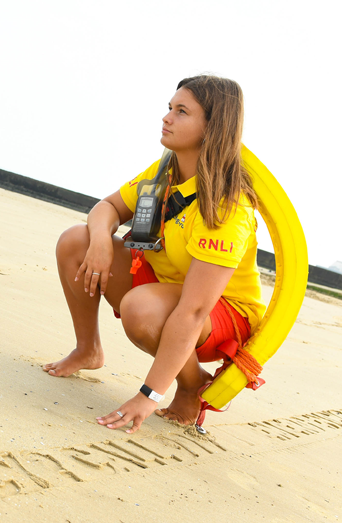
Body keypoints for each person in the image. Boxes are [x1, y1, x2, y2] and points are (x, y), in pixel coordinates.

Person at [43, 75, 267, 433]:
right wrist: (101, 239)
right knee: (76, 241)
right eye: (169, 108)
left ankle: (192, 384)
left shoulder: (226, 207)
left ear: (213, 127)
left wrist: (149, 394)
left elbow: (194, 310)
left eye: (181, 112)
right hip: (163, 285)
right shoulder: (167, 169)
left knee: (142, 308)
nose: (167, 118)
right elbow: (107, 207)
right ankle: (88, 351)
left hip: (219, 311)